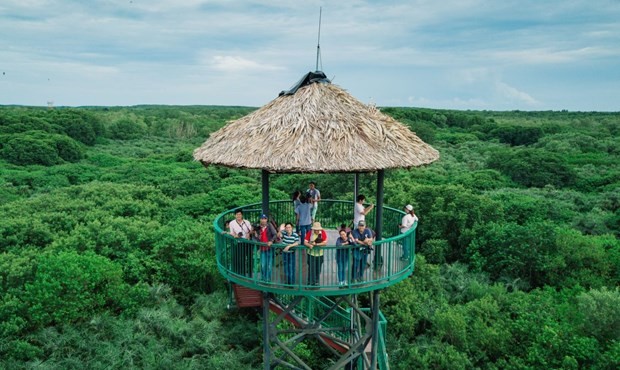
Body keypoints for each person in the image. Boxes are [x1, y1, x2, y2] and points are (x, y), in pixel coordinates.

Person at [228, 209, 253, 276]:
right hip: (239, 242)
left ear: (242, 215)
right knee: (241, 259)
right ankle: (243, 274)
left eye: (240, 214)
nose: (238, 216)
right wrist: (235, 235)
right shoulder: (232, 223)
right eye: (237, 214)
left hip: (248, 242)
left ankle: (250, 274)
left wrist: (249, 233)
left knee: (250, 258)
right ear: (235, 215)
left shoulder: (246, 222)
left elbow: (251, 230)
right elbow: (231, 232)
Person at [304, 221, 327, 287]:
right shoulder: (310, 233)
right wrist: (309, 245)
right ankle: (310, 282)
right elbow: (305, 242)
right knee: (311, 268)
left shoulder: (323, 232)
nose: (317, 231)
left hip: (320, 254)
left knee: (318, 268)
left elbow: (325, 242)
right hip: (311, 254)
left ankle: (316, 281)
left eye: (318, 229)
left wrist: (316, 244)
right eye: (316, 229)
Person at [257, 214, 278, 282]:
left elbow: (275, 234)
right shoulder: (258, 227)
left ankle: (268, 279)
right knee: (263, 265)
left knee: (269, 266)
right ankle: (263, 278)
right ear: (260, 219)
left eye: (265, 219)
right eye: (262, 219)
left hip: (269, 249)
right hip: (262, 249)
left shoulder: (269, 226)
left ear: (266, 219)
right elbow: (255, 237)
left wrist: (271, 241)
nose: (263, 220)